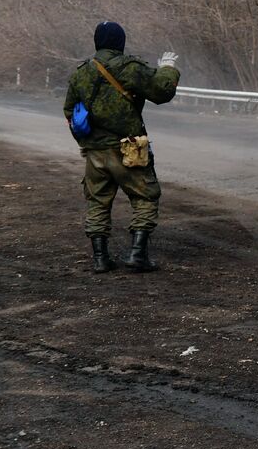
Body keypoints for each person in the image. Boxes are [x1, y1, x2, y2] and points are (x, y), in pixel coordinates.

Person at [63, 21, 180, 273]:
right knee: (145, 196)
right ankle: (137, 254)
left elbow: (70, 113)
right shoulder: (128, 67)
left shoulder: (80, 72)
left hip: (95, 152)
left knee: (97, 201)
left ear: (97, 42)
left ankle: (100, 258)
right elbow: (162, 91)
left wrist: (87, 143)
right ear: (121, 42)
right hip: (130, 149)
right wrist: (168, 68)